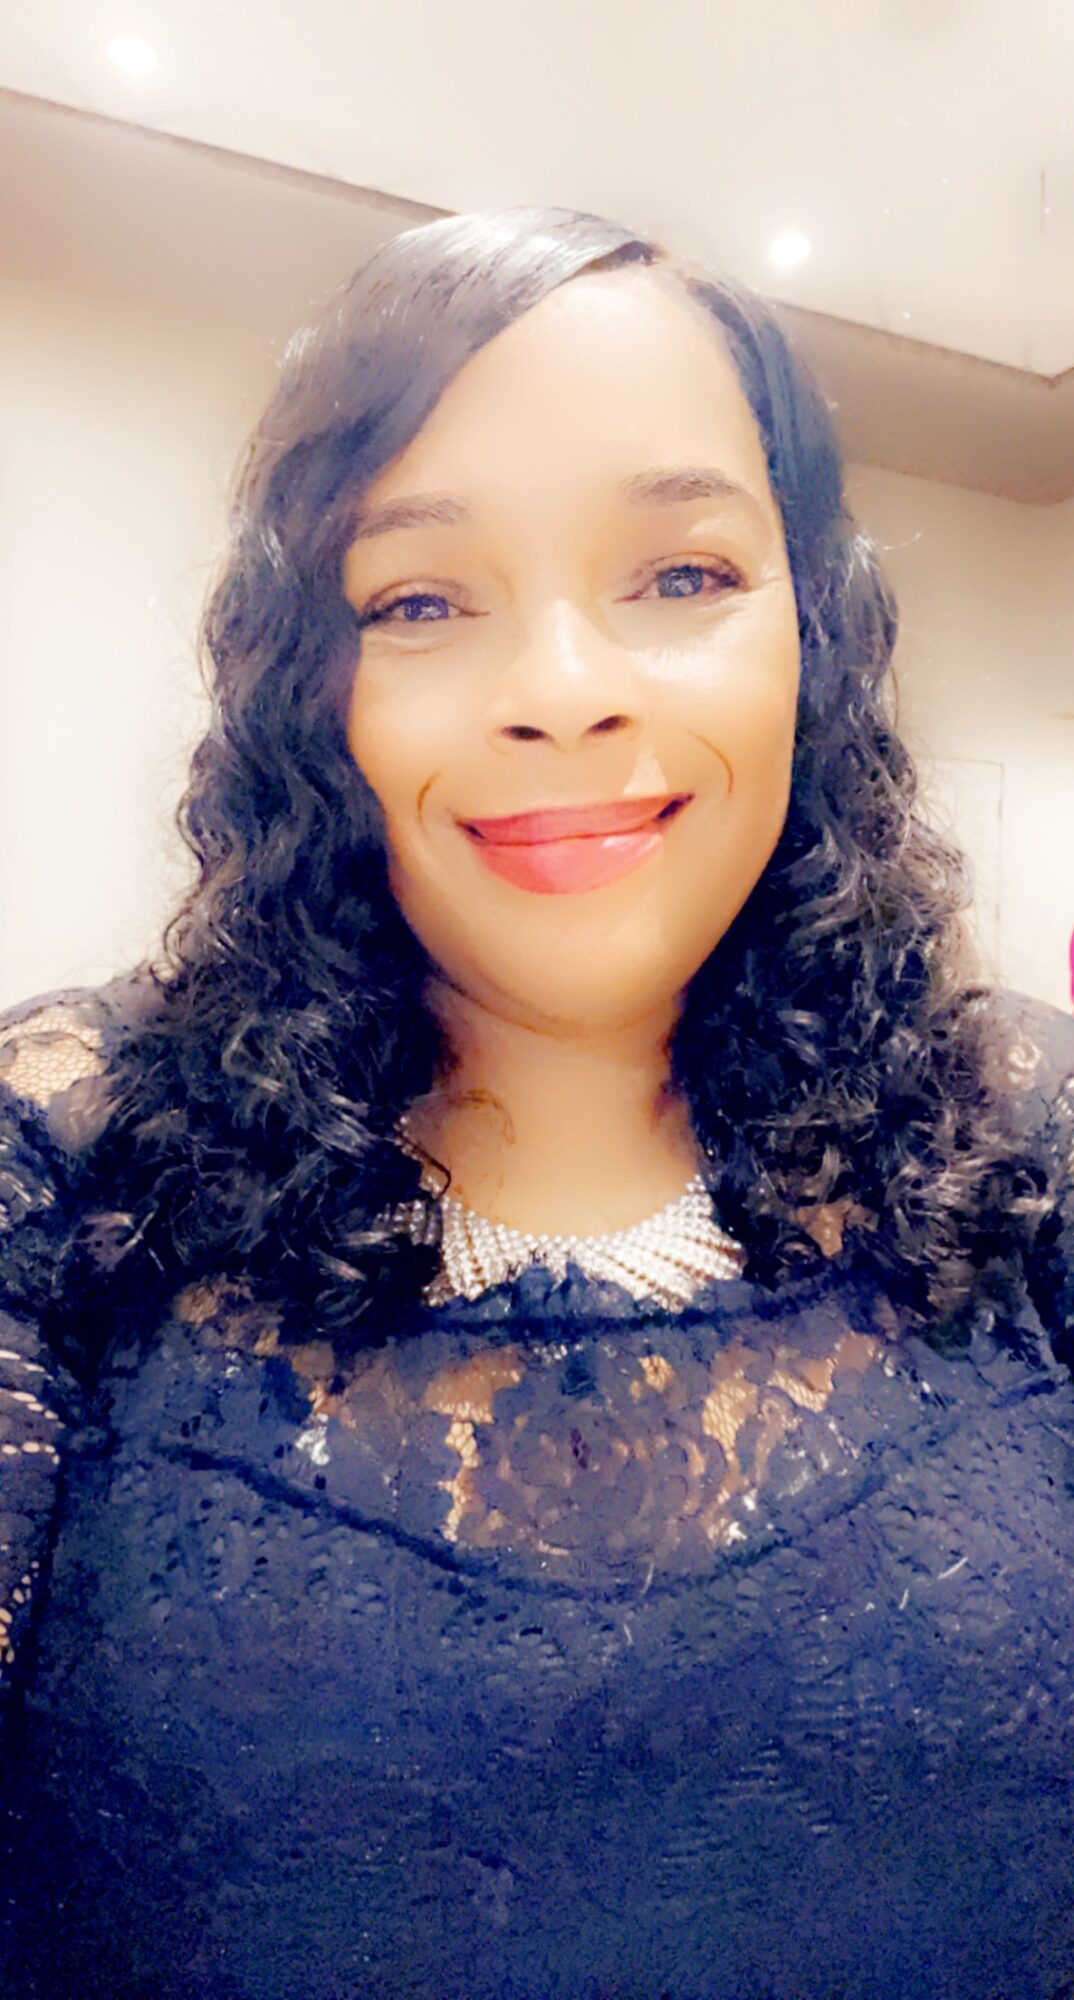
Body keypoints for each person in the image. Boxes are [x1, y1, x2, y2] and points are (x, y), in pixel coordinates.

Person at [1, 206, 1073, 2000]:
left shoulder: (1026, 1138)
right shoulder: (62, 1161)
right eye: (420, 601)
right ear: (308, 684)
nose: (562, 695)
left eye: (681, 576)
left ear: (811, 633)